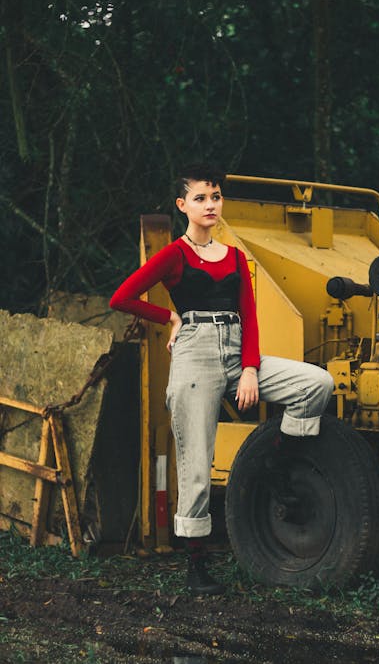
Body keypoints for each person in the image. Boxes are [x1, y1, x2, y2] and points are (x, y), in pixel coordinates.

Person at [110, 165, 334, 594]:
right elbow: (121, 297)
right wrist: (170, 316)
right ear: (183, 206)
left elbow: (249, 317)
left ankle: (273, 457)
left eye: (215, 197)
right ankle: (197, 568)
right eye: (200, 198)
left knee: (315, 384)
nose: (210, 205)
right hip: (195, 355)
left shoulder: (234, 256)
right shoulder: (174, 255)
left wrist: (250, 368)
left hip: (237, 350)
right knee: (195, 464)